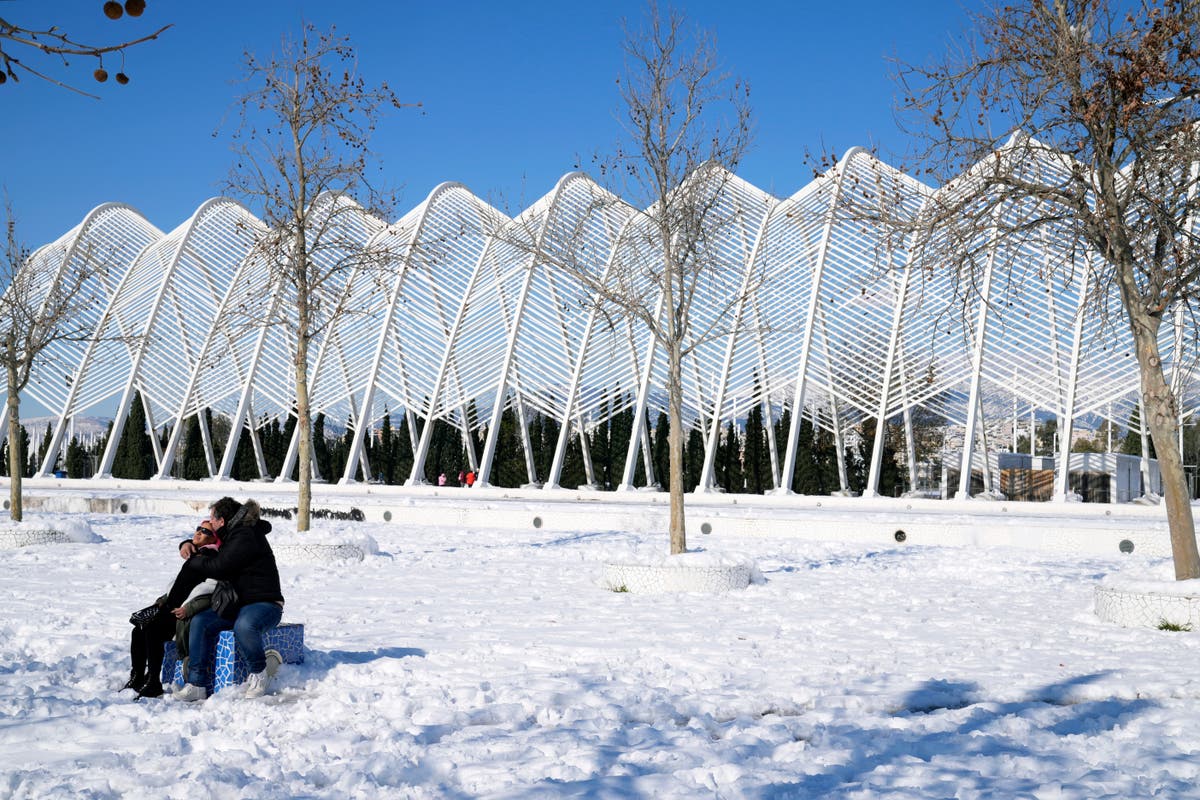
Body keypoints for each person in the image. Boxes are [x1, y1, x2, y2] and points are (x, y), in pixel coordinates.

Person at [169, 498, 284, 701]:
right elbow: (210, 544)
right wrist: (187, 543)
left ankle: (259, 673)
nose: (209, 523)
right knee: (200, 621)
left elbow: (219, 567)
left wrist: (195, 561)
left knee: (244, 626)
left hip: (264, 603)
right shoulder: (233, 533)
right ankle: (196, 684)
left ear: (222, 521)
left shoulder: (245, 535)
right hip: (238, 605)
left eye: (212, 519)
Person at [122, 519, 220, 700]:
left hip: (183, 612)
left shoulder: (212, 558)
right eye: (198, 528)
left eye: (205, 531)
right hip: (170, 607)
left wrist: (188, 608)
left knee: (152, 631)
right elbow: (179, 585)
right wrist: (162, 601)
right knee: (138, 631)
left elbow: (209, 590)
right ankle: (137, 677)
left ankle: (153, 682)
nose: (199, 532)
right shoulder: (198, 553)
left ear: (215, 538)